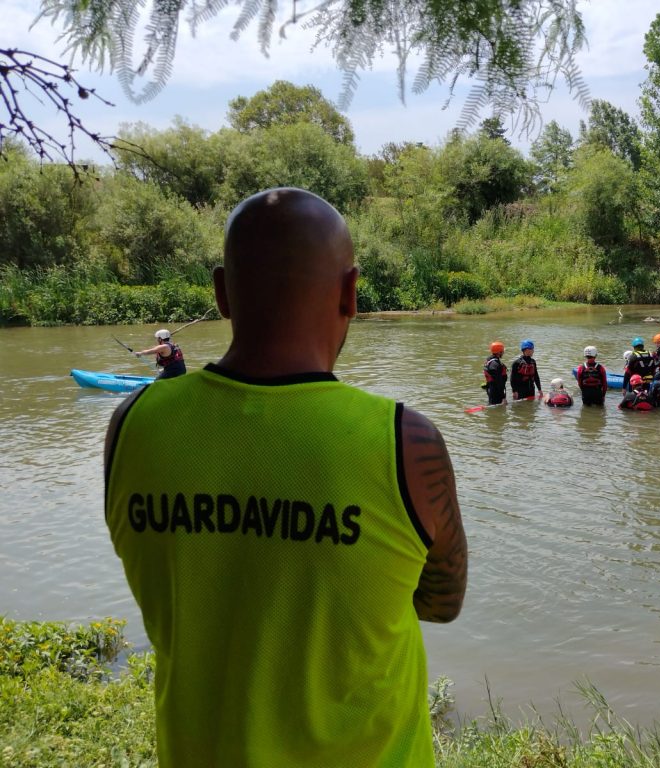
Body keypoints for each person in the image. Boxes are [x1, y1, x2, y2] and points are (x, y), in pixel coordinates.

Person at [103, 188, 468, 767]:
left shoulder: (131, 427)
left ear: (222, 292)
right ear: (350, 293)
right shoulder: (404, 441)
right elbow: (442, 602)